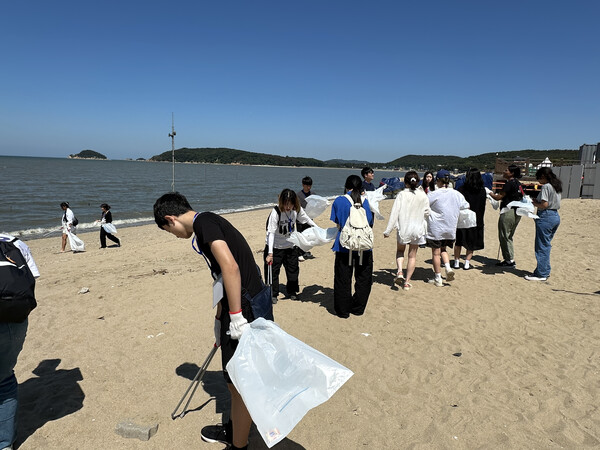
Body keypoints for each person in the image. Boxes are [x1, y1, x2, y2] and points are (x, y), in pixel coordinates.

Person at [153, 192, 263, 450]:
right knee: (231, 379)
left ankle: (239, 444)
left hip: (244, 307)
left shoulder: (203, 225)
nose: (176, 236)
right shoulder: (209, 222)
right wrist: (220, 317)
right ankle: (236, 429)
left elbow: (231, 267)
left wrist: (235, 318)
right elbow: (222, 277)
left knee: (239, 382)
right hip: (237, 304)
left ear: (171, 219)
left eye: (170, 231)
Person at [0, 234, 40, 450]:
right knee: (4, 379)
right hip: (13, 319)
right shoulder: (14, 242)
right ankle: (4, 444)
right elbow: (31, 279)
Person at [330, 175, 374, 318]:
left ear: (346, 186)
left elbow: (337, 222)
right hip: (364, 245)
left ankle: (343, 310)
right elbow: (370, 222)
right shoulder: (367, 202)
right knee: (363, 278)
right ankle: (358, 307)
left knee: (343, 278)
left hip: (344, 245)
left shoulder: (339, 201)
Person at [265, 189, 316, 302]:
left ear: (294, 203)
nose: (288, 207)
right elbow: (271, 233)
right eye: (285, 204)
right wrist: (270, 253)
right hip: (275, 247)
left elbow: (306, 219)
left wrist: (316, 228)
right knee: (273, 271)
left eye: (290, 204)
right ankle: (273, 294)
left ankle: (292, 291)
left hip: (290, 245)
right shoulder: (276, 212)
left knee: (293, 270)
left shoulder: (296, 210)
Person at [383, 171, 430, 291]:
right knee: (412, 256)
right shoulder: (423, 195)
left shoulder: (402, 195)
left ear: (405, 182)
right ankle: (407, 282)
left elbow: (395, 213)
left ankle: (399, 271)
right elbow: (427, 212)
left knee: (400, 251)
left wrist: (388, 230)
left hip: (404, 228)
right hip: (417, 229)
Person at [425, 170, 470, 286]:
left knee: (436, 253)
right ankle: (448, 268)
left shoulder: (433, 194)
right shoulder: (457, 194)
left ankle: (438, 278)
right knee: (443, 249)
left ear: (437, 181)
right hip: (450, 228)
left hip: (436, 228)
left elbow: (423, 205)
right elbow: (466, 205)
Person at [525, 167, 562, 281]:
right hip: (555, 216)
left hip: (546, 216)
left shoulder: (546, 186)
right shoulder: (556, 185)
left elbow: (544, 204)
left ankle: (542, 273)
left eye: (539, 178)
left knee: (542, 246)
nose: (538, 180)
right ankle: (543, 270)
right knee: (545, 245)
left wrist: (534, 203)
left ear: (543, 176)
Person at [488, 165, 524, 267]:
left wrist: (489, 193)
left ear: (511, 173)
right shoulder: (518, 183)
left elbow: (498, 197)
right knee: (509, 234)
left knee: (505, 235)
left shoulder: (509, 183)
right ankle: (509, 258)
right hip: (517, 211)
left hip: (508, 211)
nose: (504, 172)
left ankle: (509, 259)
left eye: (506, 170)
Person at [453, 168, 487, 270]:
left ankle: (456, 261)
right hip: (477, 219)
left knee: (459, 241)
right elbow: (482, 206)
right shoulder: (482, 190)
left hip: (463, 218)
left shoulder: (462, 189)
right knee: (471, 242)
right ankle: (467, 262)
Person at [296, 176, 314, 261]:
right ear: (303, 185)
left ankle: (304, 251)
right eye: (307, 185)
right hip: (300, 220)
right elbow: (297, 207)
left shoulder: (313, 194)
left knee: (308, 236)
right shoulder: (298, 195)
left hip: (310, 219)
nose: (308, 187)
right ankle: (299, 253)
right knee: (301, 236)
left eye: (310, 185)